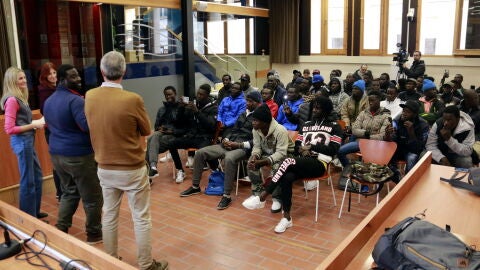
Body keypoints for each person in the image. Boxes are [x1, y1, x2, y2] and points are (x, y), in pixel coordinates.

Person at [84, 51, 168, 270]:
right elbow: (147, 130)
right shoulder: (133, 99)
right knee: (140, 217)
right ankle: (146, 264)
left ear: (102, 72)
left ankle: (110, 260)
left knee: (109, 215)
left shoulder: (90, 96)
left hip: (104, 167)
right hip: (131, 168)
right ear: (124, 71)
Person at [242, 96, 343, 233]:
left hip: (320, 163)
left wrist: (312, 148)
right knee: (287, 177)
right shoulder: (306, 124)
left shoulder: (335, 126)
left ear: (326, 110)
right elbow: (296, 146)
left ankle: (263, 196)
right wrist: (301, 149)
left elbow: (334, 150)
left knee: (287, 161)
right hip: (302, 162)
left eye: (318, 108)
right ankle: (287, 218)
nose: (314, 110)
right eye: (313, 107)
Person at [43, 64, 103, 243]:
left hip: (57, 155)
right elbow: (86, 127)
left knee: (69, 192)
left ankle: (61, 228)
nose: (79, 79)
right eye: (74, 77)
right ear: (62, 80)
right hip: (78, 156)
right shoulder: (76, 101)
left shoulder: (49, 101)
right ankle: (94, 234)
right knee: (92, 197)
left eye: (78, 76)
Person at [180, 91, 262, 210]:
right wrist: (226, 139)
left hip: (243, 148)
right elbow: (232, 129)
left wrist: (238, 144)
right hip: (229, 144)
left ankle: (227, 195)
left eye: (251, 101)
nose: (248, 103)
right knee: (200, 153)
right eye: (247, 101)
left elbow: (257, 140)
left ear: (258, 103)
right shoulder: (243, 113)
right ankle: (195, 186)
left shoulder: (261, 117)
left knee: (229, 158)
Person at [1, 67, 47, 218]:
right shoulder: (12, 100)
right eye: (20, 78)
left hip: (27, 141)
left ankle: (34, 212)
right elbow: (9, 128)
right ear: (12, 81)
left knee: (37, 177)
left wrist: (34, 123)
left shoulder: (20, 97)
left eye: (24, 78)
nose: (24, 81)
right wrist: (34, 124)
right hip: (22, 143)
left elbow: (20, 122)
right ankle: (28, 218)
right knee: (28, 181)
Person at [241, 104, 294, 214]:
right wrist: (255, 157)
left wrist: (263, 162)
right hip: (267, 154)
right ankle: (257, 194)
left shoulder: (280, 130)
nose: (253, 123)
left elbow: (281, 153)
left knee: (277, 167)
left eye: (256, 121)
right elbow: (257, 147)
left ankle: (277, 198)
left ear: (265, 122)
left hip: (287, 156)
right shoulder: (256, 130)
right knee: (251, 163)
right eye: (253, 120)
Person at [338, 91, 391, 188]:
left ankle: (364, 183)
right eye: (369, 101)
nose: (370, 103)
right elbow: (354, 129)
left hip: (376, 144)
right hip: (361, 142)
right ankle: (351, 170)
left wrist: (368, 137)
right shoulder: (363, 113)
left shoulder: (385, 115)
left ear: (379, 100)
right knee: (340, 151)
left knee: (366, 160)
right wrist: (365, 133)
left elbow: (382, 135)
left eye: (373, 100)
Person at [169, 84, 218, 183]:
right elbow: (179, 121)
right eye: (198, 94)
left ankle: (216, 171)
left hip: (205, 138)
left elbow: (211, 126)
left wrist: (197, 112)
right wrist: (181, 108)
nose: (199, 96)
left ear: (207, 95)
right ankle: (180, 170)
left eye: (201, 95)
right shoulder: (194, 104)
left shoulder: (213, 107)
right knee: (171, 143)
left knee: (204, 150)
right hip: (192, 137)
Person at [146, 86, 187, 178]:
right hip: (162, 135)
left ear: (175, 93)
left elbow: (184, 127)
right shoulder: (161, 109)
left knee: (149, 142)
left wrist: (171, 131)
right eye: (166, 95)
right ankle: (152, 168)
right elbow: (156, 127)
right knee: (153, 136)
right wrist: (161, 128)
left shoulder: (181, 108)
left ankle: (151, 169)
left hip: (175, 134)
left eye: (170, 94)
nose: (168, 97)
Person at [385, 100, 429, 181]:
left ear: (415, 114)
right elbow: (392, 142)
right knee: (386, 154)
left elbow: (419, 148)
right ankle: (397, 178)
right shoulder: (397, 120)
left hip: (412, 151)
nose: (404, 113)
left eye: (408, 112)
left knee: (412, 158)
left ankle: (408, 181)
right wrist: (388, 135)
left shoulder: (423, 125)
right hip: (399, 148)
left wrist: (411, 133)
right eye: (403, 111)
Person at [37, 61, 62, 201]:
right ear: (44, 76)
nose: (52, 76)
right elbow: (43, 109)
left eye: (54, 73)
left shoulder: (58, 87)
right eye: (49, 74)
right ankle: (60, 193)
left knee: (63, 161)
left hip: (60, 129)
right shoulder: (43, 90)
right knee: (57, 163)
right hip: (52, 131)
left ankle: (66, 192)